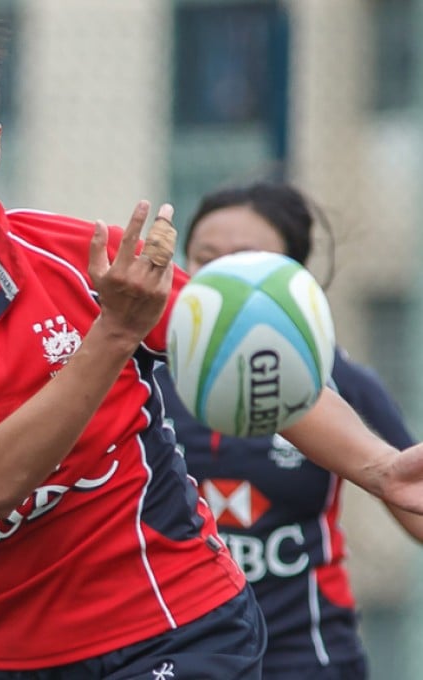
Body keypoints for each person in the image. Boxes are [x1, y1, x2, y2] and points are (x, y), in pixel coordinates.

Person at [0, 2, 423, 678]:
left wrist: (379, 469)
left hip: (177, 626)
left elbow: (248, 349)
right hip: (14, 657)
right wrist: (116, 332)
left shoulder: (85, 257)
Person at [157, 180, 423, 679]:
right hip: (181, 655)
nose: (221, 279)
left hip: (307, 655)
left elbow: (413, 500)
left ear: (294, 278)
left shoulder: (339, 382)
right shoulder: (142, 378)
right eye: (205, 260)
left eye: (245, 262)